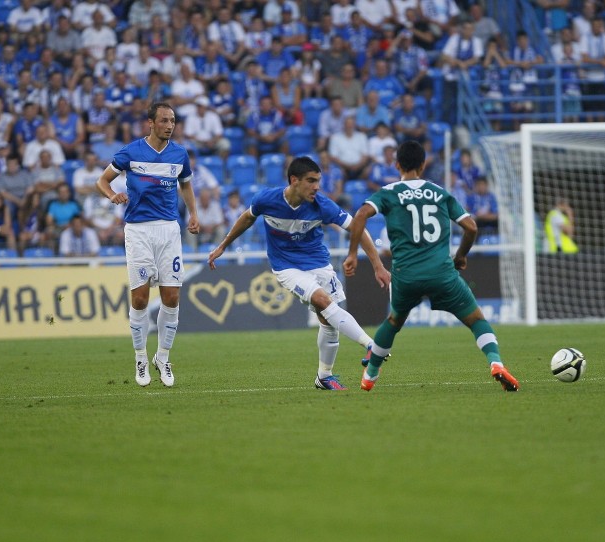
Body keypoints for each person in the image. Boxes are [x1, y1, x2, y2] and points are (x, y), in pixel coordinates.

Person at [343, 140, 520, 392]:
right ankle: (496, 363)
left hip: (406, 276)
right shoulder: (439, 192)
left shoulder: (389, 192)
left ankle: (370, 376)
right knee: (477, 320)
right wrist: (461, 256)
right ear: (423, 165)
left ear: (396, 165)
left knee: (393, 322)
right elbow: (471, 227)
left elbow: (360, 216)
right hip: (442, 273)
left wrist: (352, 253)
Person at [207, 156, 390, 391]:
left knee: (329, 320)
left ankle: (324, 377)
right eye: (311, 181)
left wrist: (377, 265)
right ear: (294, 180)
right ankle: (371, 345)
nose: (317, 187)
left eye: (318, 181)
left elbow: (357, 227)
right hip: (287, 266)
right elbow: (247, 218)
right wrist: (223, 245)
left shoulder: (322, 205)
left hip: (318, 263)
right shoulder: (267, 199)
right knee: (323, 301)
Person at [95, 102, 200, 387]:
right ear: (150, 123)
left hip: (168, 231)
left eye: (173, 121)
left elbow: (186, 185)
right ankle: (140, 357)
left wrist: (193, 214)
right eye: (164, 120)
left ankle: (162, 357)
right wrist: (112, 196)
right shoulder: (130, 152)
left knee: (172, 298)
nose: (170, 125)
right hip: (139, 231)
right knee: (140, 298)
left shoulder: (179, 154)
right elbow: (102, 181)